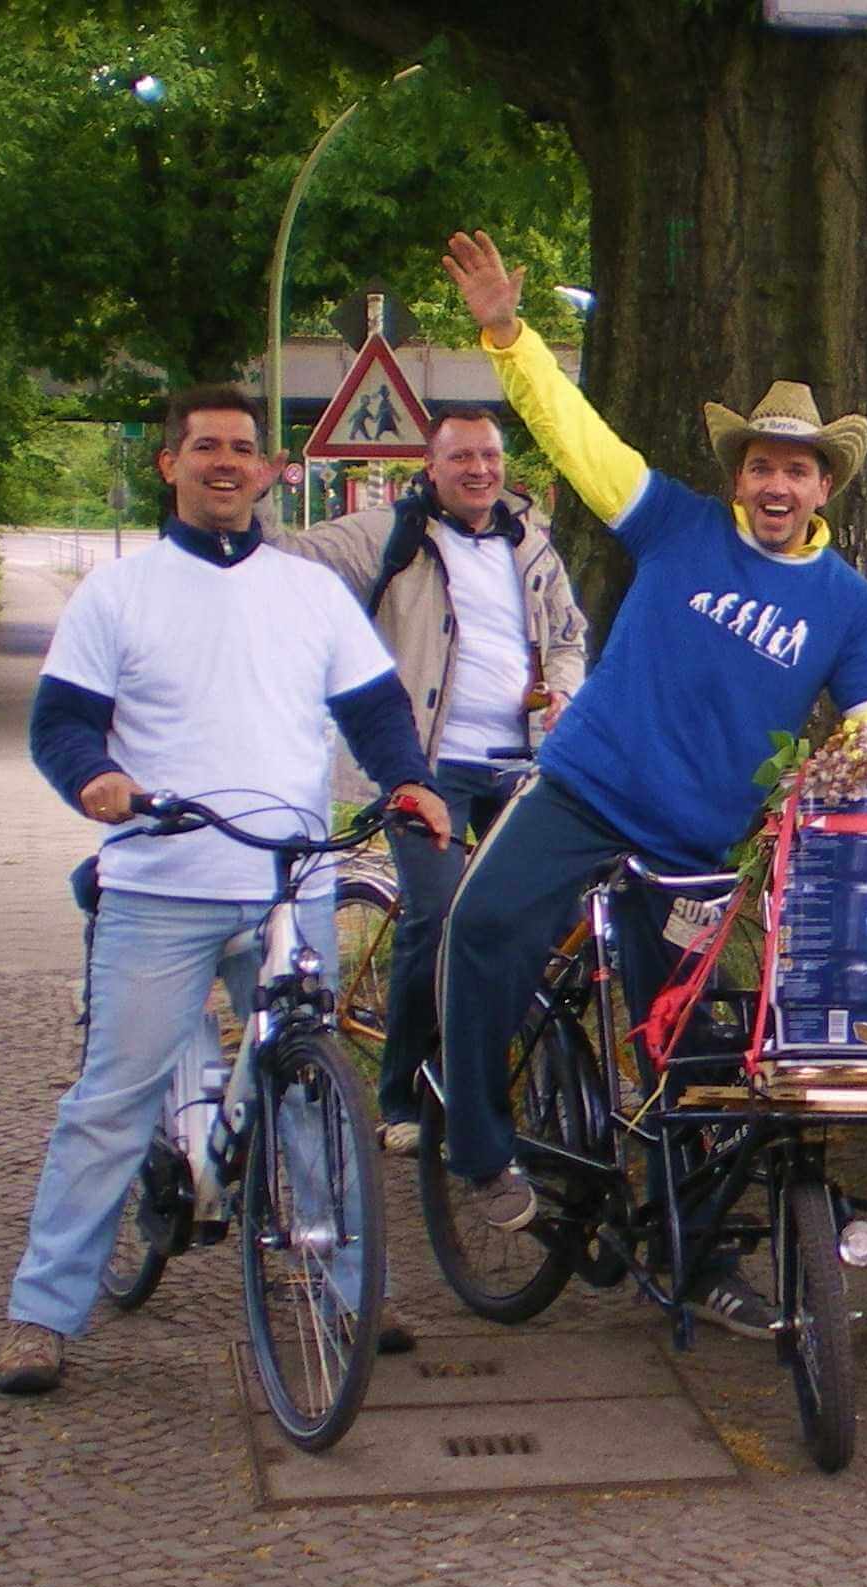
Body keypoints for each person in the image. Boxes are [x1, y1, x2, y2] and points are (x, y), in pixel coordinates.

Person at [432, 229, 867, 1338]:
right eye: (760, 464)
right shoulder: (676, 524)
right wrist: (508, 338)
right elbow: (575, 434)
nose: (777, 482)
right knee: (482, 927)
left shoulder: (842, 599)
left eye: (797, 468)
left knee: (693, 1062)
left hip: (699, 846)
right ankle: (475, 1145)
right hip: (588, 788)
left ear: (825, 483)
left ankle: (694, 1257)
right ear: (737, 475)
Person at [0, 385, 447, 1396]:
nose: (227, 463)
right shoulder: (119, 595)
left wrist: (407, 778)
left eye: (244, 449)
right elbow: (61, 725)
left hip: (289, 882)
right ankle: (43, 1310)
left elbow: (373, 709)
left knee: (314, 1096)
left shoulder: (308, 595)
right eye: (205, 447)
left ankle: (344, 1280)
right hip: (162, 880)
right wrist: (96, 781)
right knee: (112, 1100)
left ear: (270, 470)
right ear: (171, 464)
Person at [271, 405, 588, 1153]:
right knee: (439, 913)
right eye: (462, 459)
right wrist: (259, 487)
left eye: (490, 456)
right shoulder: (390, 534)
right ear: (431, 467)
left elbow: (569, 632)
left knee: (547, 914)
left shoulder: (529, 539)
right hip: (427, 763)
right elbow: (286, 555)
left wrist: (565, 686)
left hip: (519, 760)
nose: (480, 470)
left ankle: (484, 1070)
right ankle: (404, 1093)